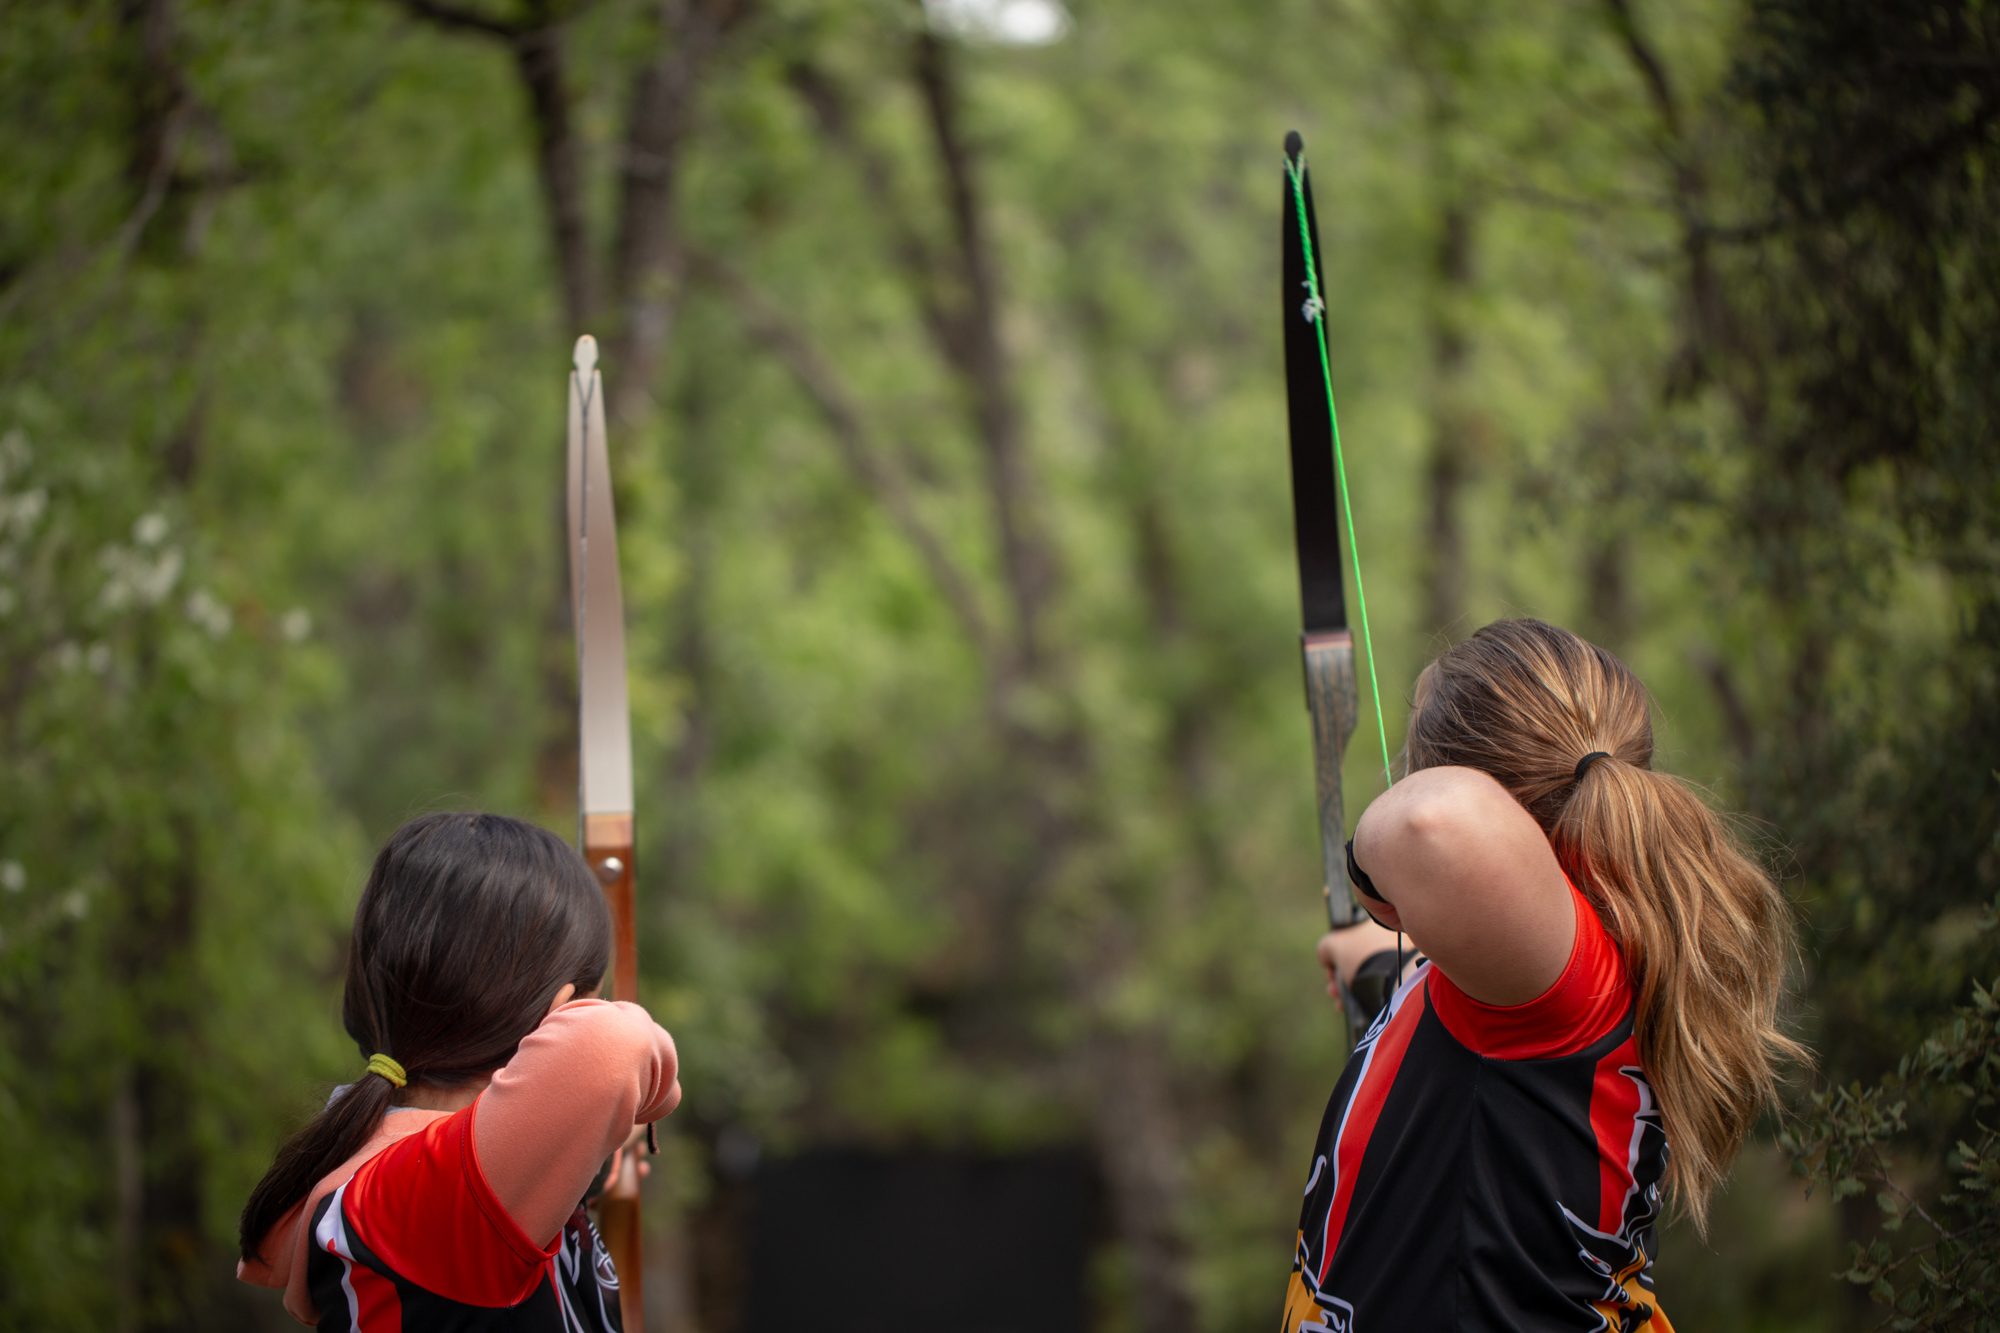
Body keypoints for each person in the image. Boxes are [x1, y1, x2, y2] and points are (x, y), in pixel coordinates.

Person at [1282, 619, 1804, 1333]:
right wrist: (1373, 955)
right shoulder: (1553, 978)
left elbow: (1431, 823)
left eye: (1415, 757)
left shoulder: (1574, 984)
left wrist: (1372, 877)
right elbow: (1454, 1023)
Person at [237, 812, 681, 1329]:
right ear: (553, 1019)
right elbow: (610, 1046)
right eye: (590, 999)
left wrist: (592, 1158)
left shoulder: (407, 1189)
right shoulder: (430, 1199)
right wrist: (637, 1101)